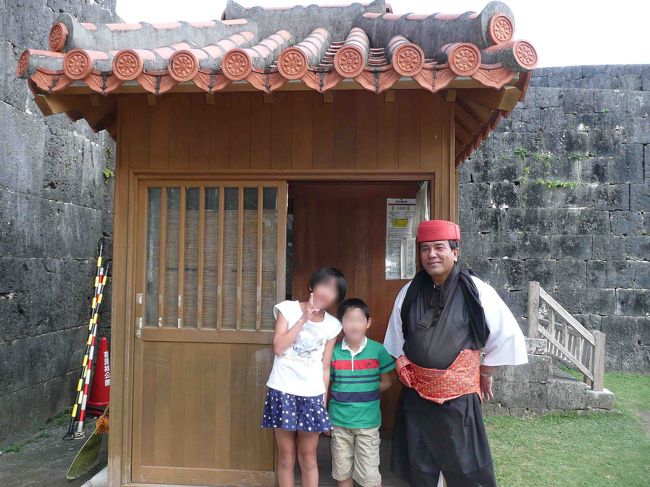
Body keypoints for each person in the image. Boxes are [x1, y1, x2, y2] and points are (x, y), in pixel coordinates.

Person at [383, 220, 528, 487]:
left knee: (464, 467)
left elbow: (506, 334)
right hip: (417, 398)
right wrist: (405, 366)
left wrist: (486, 371)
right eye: (425, 249)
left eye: (439, 247)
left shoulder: (477, 291)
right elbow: (396, 340)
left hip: (458, 401)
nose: (431, 254)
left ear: (455, 252)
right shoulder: (409, 292)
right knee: (421, 466)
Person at [262, 267, 346, 487]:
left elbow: (325, 367)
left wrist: (323, 401)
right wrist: (303, 319)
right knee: (286, 456)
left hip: (312, 395)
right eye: (324, 285)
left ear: (336, 298)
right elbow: (278, 348)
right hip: (282, 390)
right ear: (311, 286)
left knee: (308, 457)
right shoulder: (287, 309)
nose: (327, 292)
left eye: (333, 290)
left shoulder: (333, 325)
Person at [328, 298, 395, 487]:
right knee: (342, 472)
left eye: (358, 320)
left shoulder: (378, 350)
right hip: (339, 422)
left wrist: (364, 390)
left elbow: (387, 382)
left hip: (368, 422)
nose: (354, 325)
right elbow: (328, 383)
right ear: (341, 323)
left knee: (369, 476)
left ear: (368, 322)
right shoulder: (333, 352)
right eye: (349, 320)